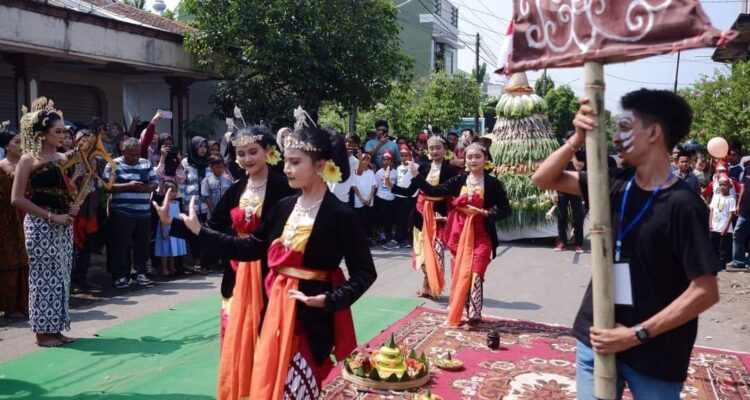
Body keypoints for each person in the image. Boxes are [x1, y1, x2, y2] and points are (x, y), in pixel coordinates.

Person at [157, 126, 376, 399]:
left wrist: (331, 299)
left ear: (320, 165)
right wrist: (192, 230)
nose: (287, 168)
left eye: (295, 162)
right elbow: (249, 248)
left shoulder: (340, 215)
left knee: (298, 388)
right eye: (286, 161)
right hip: (272, 309)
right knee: (268, 384)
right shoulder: (285, 207)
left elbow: (365, 272)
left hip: (310, 318)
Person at [532, 89, 722, 399]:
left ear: (653, 132)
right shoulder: (615, 182)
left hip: (656, 352)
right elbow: (544, 179)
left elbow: (705, 290)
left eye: (624, 127)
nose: (616, 138)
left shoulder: (684, 204)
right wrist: (576, 139)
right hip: (597, 335)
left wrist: (635, 335)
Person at [167, 126, 293, 399]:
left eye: (253, 152)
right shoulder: (237, 188)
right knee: (235, 335)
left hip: (271, 273)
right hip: (236, 272)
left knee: (269, 335)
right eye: (241, 153)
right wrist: (173, 224)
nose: (247, 158)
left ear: (268, 152)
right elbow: (212, 228)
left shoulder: (284, 187)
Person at [401, 143, 511, 325]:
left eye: (477, 156)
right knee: (461, 275)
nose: (473, 160)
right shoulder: (458, 180)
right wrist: (416, 176)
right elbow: (434, 191)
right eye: (469, 157)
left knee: (475, 274)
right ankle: (464, 311)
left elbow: (506, 209)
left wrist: (488, 214)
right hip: (458, 233)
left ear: (485, 159)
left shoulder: (493, 184)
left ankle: (474, 315)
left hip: (481, 234)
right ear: (465, 160)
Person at [11, 97, 79, 347]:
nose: (63, 135)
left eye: (64, 131)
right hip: (41, 226)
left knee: (62, 276)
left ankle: (57, 328)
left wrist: (73, 207)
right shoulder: (28, 160)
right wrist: (51, 216)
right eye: (58, 131)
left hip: (63, 225)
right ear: (42, 134)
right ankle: (42, 333)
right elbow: (16, 199)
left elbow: (68, 191)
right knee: (43, 277)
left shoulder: (62, 159)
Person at [388, 135, 456, 299]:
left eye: (438, 147)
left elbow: (443, 192)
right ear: (427, 150)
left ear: (445, 149)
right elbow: (410, 191)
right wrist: (391, 186)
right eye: (431, 148)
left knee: (437, 252)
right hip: (421, 214)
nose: (434, 151)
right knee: (423, 253)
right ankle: (427, 284)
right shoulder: (423, 168)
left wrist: (447, 215)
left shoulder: (450, 170)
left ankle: (435, 286)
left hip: (439, 215)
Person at [103, 138, 157, 289]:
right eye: (131, 154)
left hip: (143, 212)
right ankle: (120, 276)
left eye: (137, 154)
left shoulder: (145, 163)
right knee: (120, 246)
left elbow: (155, 183)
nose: (135, 157)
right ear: (123, 151)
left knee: (142, 245)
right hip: (122, 212)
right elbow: (108, 187)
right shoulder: (113, 164)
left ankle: (140, 273)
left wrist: (145, 188)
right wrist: (129, 185)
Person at [0, 129, 29, 320]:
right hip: (7, 219)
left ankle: (25, 303)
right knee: (10, 262)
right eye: (17, 142)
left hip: (28, 215)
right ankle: (10, 307)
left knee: (26, 261)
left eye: (22, 142)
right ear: (6, 146)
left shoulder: (28, 164)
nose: (21, 145)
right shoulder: (2, 167)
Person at [182, 136, 211, 274]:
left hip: (205, 206)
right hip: (190, 205)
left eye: (205, 146)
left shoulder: (208, 163)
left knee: (204, 234)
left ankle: (203, 262)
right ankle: (193, 262)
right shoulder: (185, 163)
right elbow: (182, 184)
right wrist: (182, 203)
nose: (203, 149)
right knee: (192, 235)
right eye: (200, 146)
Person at [555, 131, 586, 253]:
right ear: (565, 140)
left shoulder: (581, 154)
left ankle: (578, 243)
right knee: (562, 217)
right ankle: (562, 242)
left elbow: (579, 167)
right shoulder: (559, 153)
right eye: (568, 140)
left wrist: (572, 153)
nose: (570, 142)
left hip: (575, 188)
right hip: (561, 188)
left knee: (578, 217)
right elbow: (555, 172)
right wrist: (554, 191)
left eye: (572, 140)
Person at [155, 181, 187, 276]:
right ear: (165, 191)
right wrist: (163, 230)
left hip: (174, 227)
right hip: (165, 227)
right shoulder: (164, 203)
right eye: (171, 191)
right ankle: (164, 268)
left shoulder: (177, 202)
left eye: (175, 191)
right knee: (164, 249)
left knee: (172, 249)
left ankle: (172, 267)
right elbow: (161, 218)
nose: (173, 193)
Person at [392, 145, 418, 248]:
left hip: (410, 196)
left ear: (410, 155)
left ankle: (404, 239)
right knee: (399, 218)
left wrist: (410, 163)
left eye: (405, 155)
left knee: (407, 218)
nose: (403, 157)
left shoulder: (415, 166)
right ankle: (401, 239)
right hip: (399, 195)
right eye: (402, 155)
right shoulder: (398, 168)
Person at [709, 174, 735, 265]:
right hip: (714, 226)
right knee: (713, 245)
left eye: (724, 185)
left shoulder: (731, 199)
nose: (722, 187)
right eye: (720, 185)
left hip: (725, 228)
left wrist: (726, 228)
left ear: (729, 186)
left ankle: (721, 264)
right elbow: (712, 210)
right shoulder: (715, 197)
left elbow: (731, 214)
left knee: (723, 247)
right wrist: (710, 223)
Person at [352, 153, 377, 244]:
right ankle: (360, 239)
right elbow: (354, 186)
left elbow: (374, 185)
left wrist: (370, 197)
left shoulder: (371, 172)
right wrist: (362, 199)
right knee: (360, 219)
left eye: (367, 160)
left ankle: (369, 238)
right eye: (363, 159)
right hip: (359, 199)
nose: (365, 162)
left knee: (369, 219)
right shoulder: (355, 171)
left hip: (369, 199)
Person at [729, 164, 750, 271]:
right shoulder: (747, 168)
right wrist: (738, 204)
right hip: (744, 211)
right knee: (737, 235)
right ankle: (738, 261)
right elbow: (743, 187)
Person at [375, 150, 398, 247]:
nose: (386, 161)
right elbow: (376, 186)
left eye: (388, 159)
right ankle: (382, 235)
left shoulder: (396, 173)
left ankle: (389, 234)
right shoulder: (378, 173)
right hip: (381, 198)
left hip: (392, 198)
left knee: (390, 218)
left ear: (392, 161)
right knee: (381, 218)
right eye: (384, 159)